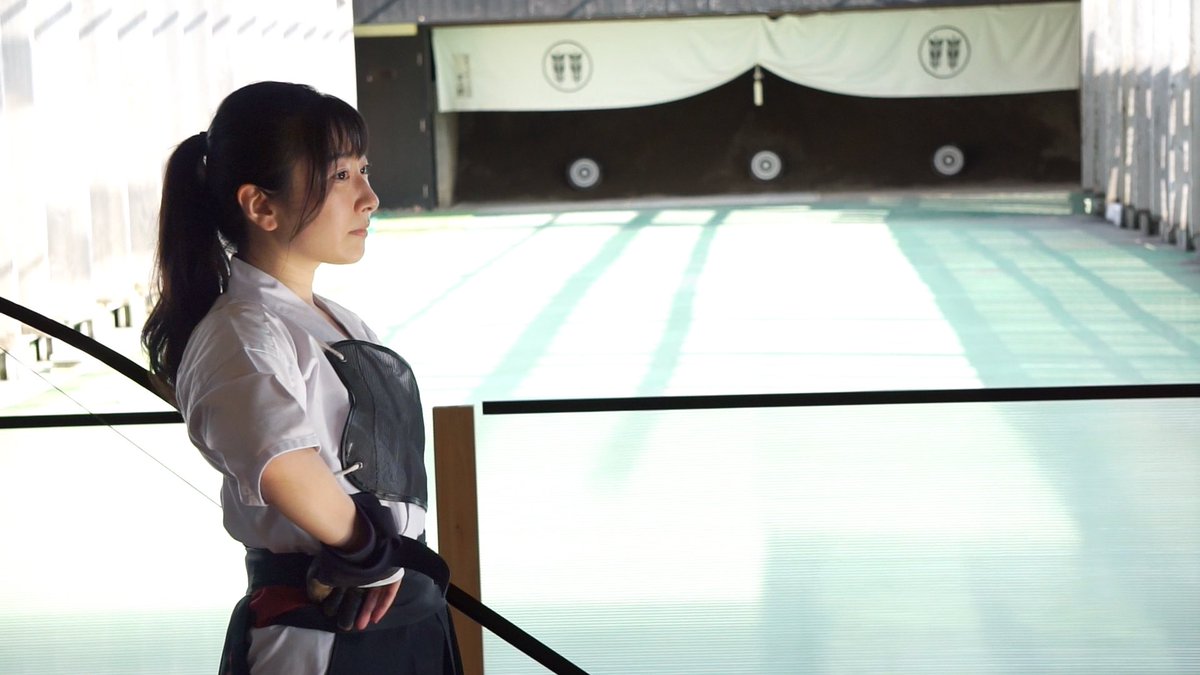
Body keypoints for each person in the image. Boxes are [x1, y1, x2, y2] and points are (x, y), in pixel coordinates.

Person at [141, 81, 460, 675]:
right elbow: (283, 463)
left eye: (363, 170)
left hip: (401, 610)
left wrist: (383, 560)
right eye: (340, 176)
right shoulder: (239, 331)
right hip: (323, 633)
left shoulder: (337, 319)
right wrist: (367, 551)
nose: (369, 198)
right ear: (261, 206)